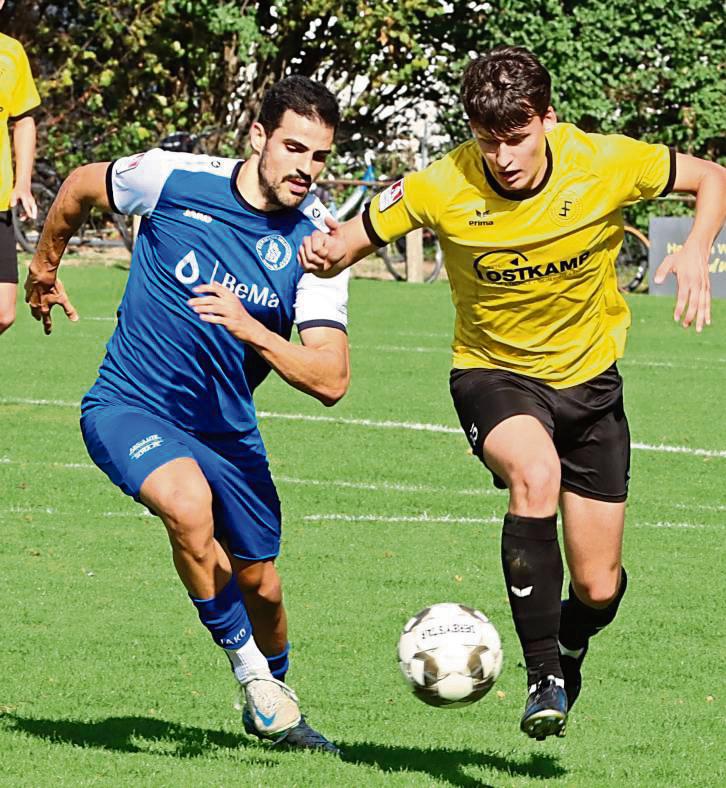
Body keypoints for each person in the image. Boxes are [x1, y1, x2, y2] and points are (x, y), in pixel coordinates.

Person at [298, 46, 726, 740]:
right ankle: (543, 677)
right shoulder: (440, 184)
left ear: (547, 120)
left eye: (517, 137)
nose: (502, 156)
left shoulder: (606, 162)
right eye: (486, 139)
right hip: (492, 375)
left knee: (598, 588)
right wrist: (323, 248)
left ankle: (571, 640)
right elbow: (350, 240)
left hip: (591, 387)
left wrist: (699, 248)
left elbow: (711, 177)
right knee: (535, 473)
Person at [24, 76, 350, 754]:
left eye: (319, 157)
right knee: (186, 505)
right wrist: (45, 266)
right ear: (258, 136)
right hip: (127, 404)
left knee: (262, 585)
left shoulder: (320, 243)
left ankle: (277, 699)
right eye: (293, 147)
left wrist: (254, 331)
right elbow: (84, 184)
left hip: (227, 431)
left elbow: (331, 377)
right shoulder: (172, 178)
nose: (304, 168)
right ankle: (252, 676)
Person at [0, 8, 40, 334]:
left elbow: (24, 119)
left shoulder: (11, 52)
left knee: (3, 312)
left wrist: (23, 183)